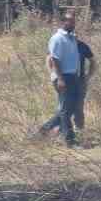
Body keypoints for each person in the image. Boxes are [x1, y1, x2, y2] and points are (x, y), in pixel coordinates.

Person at [37, 12, 82, 147]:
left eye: (74, 22)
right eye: (70, 22)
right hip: (63, 77)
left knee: (70, 109)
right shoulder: (56, 38)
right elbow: (54, 59)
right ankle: (70, 141)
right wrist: (60, 79)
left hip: (73, 76)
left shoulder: (72, 38)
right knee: (65, 110)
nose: (73, 24)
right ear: (63, 22)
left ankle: (43, 131)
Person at [72, 32, 96, 133]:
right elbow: (51, 59)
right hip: (65, 80)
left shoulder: (82, 46)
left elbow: (93, 61)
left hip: (80, 80)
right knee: (64, 105)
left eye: (75, 36)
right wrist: (54, 75)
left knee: (79, 105)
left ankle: (79, 129)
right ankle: (63, 129)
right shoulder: (62, 46)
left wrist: (89, 75)